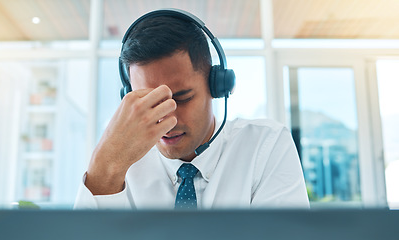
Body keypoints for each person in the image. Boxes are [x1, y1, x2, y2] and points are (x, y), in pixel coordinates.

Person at [74, 9, 309, 209]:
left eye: (181, 98)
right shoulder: (120, 164)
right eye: (149, 103)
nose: (167, 120)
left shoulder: (265, 145)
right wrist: (104, 170)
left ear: (217, 86)